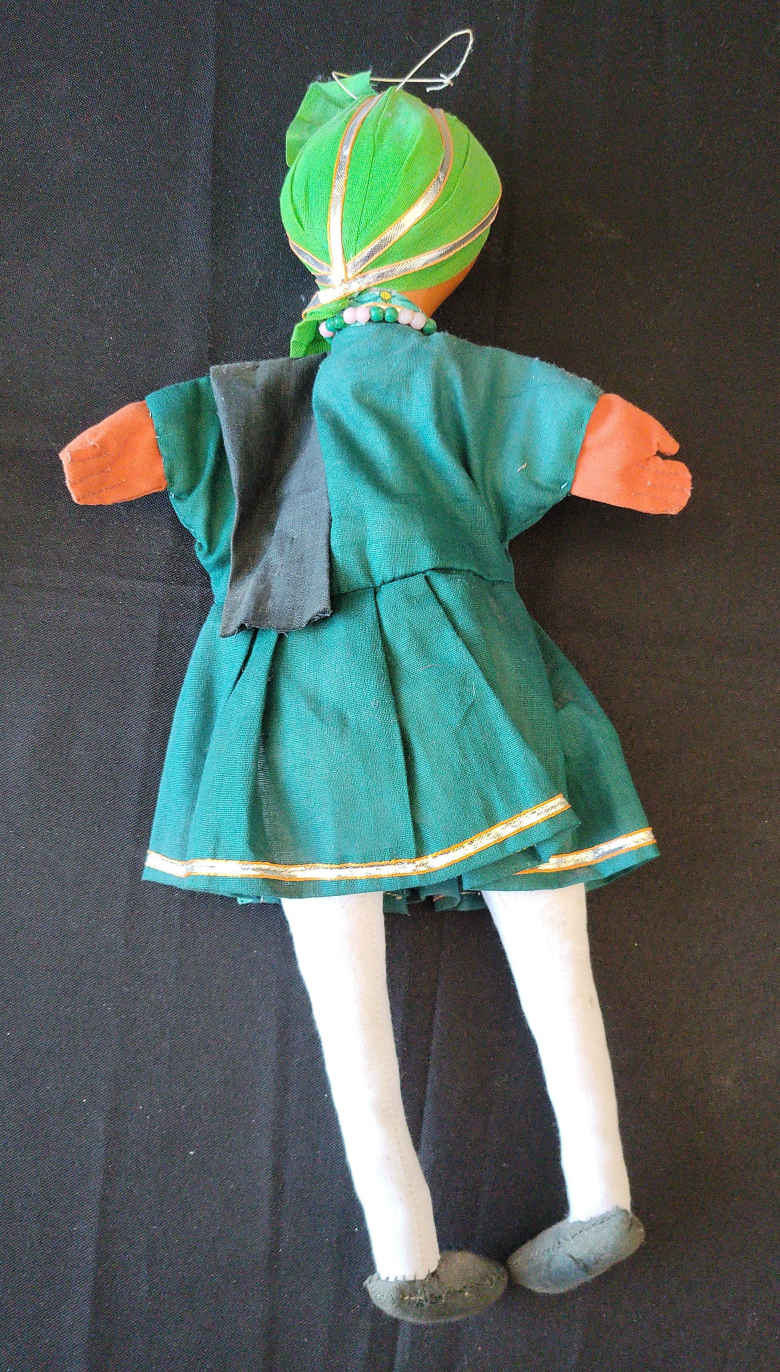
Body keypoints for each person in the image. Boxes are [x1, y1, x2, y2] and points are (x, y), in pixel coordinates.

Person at [59, 68, 691, 1324]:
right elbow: (612, 445)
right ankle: (600, 1191)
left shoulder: (258, 397)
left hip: (304, 705)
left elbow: (121, 451)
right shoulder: (456, 379)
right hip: (475, 689)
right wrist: (618, 447)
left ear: (313, 236)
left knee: (343, 992)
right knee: (548, 943)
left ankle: (408, 1254)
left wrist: (132, 446)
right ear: (456, 243)